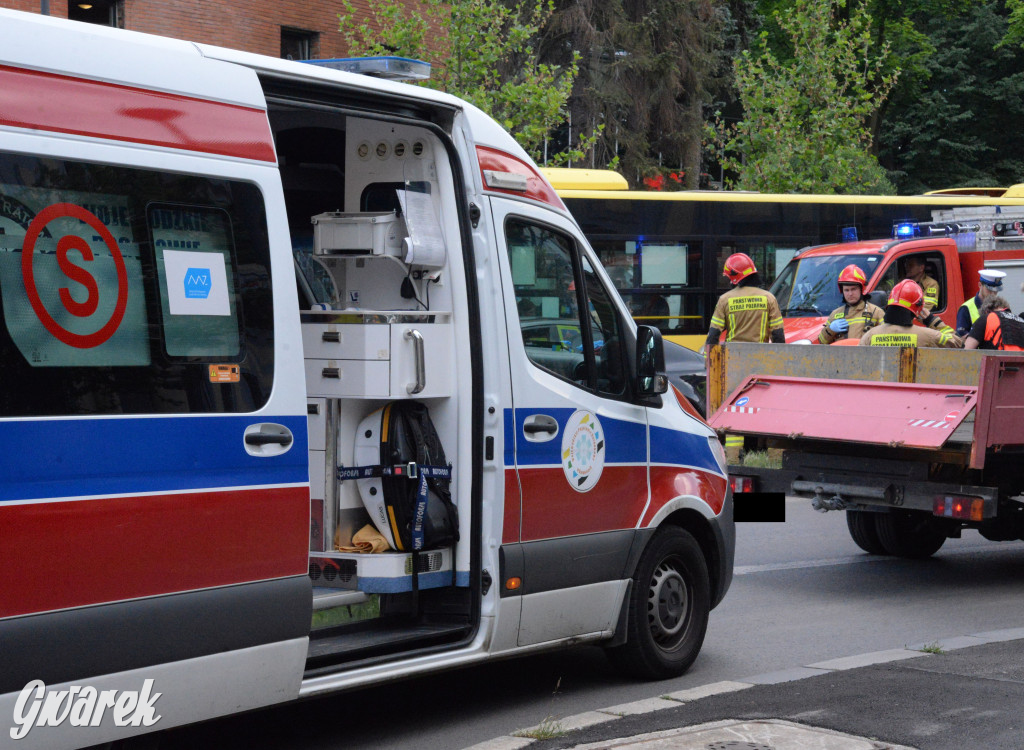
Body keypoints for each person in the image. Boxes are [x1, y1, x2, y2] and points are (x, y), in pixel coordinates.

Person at [702, 253, 784, 354]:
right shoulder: (769, 298)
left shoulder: (725, 299)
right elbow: (778, 335)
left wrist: (708, 361)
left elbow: (713, 335)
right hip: (761, 358)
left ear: (733, 276)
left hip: (732, 359)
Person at [859, 279, 961, 348]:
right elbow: (958, 343)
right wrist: (932, 321)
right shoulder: (927, 335)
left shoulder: (870, 335)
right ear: (918, 306)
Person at [818, 264, 884, 344]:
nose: (850, 294)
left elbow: (886, 341)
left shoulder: (876, 312)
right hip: (841, 356)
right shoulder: (835, 314)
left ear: (861, 289)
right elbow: (822, 342)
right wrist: (830, 329)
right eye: (846, 290)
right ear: (842, 291)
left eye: (853, 289)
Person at [956, 269, 1007, 336]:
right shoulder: (966, 308)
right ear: (980, 285)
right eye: (989, 289)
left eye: (996, 290)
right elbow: (961, 336)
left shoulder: (1001, 307)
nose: (993, 293)